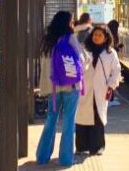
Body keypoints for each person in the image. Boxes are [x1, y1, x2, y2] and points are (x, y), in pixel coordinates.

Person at [35, 11, 84, 168]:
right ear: (67, 23)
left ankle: (42, 157)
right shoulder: (70, 38)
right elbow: (82, 59)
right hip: (70, 86)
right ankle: (66, 159)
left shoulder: (47, 40)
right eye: (71, 22)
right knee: (69, 122)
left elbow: (44, 65)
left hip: (53, 88)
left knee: (51, 120)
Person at [75, 24, 121, 157]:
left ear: (106, 38)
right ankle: (81, 147)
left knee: (98, 118)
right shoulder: (84, 49)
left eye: (100, 35)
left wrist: (111, 86)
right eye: (95, 34)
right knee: (82, 117)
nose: (96, 37)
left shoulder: (110, 53)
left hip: (101, 90)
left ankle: (97, 147)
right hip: (84, 89)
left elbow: (116, 71)